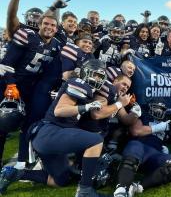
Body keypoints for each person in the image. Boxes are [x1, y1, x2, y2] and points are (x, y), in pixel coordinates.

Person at [0, 59, 108, 197]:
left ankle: (16, 173)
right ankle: (85, 191)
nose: (97, 79)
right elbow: (60, 111)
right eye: (95, 74)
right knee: (95, 140)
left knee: (60, 180)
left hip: (45, 137)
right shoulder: (79, 84)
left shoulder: (83, 88)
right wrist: (86, 107)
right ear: (84, 72)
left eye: (100, 76)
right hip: (51, 133)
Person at [0, 14, 61, 169]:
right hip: (11, 85)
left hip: (31, 88)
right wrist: (10, 84)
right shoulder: (27, 36)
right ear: (39, 25)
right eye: (46, 24)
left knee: (28, 125)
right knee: (4, 122)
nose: (49, 27)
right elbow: (7, 64)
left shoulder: (56, 45)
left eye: (53, 25)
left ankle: (23, 161)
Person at [113, 101, 171, 197]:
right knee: (135, 146)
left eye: (162, 109)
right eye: (156, 108)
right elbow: (136, 131)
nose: (159, 111)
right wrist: (158, 127)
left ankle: (138, 186)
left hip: (154, 154)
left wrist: (164, 148)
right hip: (139, 148)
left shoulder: (167, 123)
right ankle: (121, 189)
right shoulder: (143, 116)